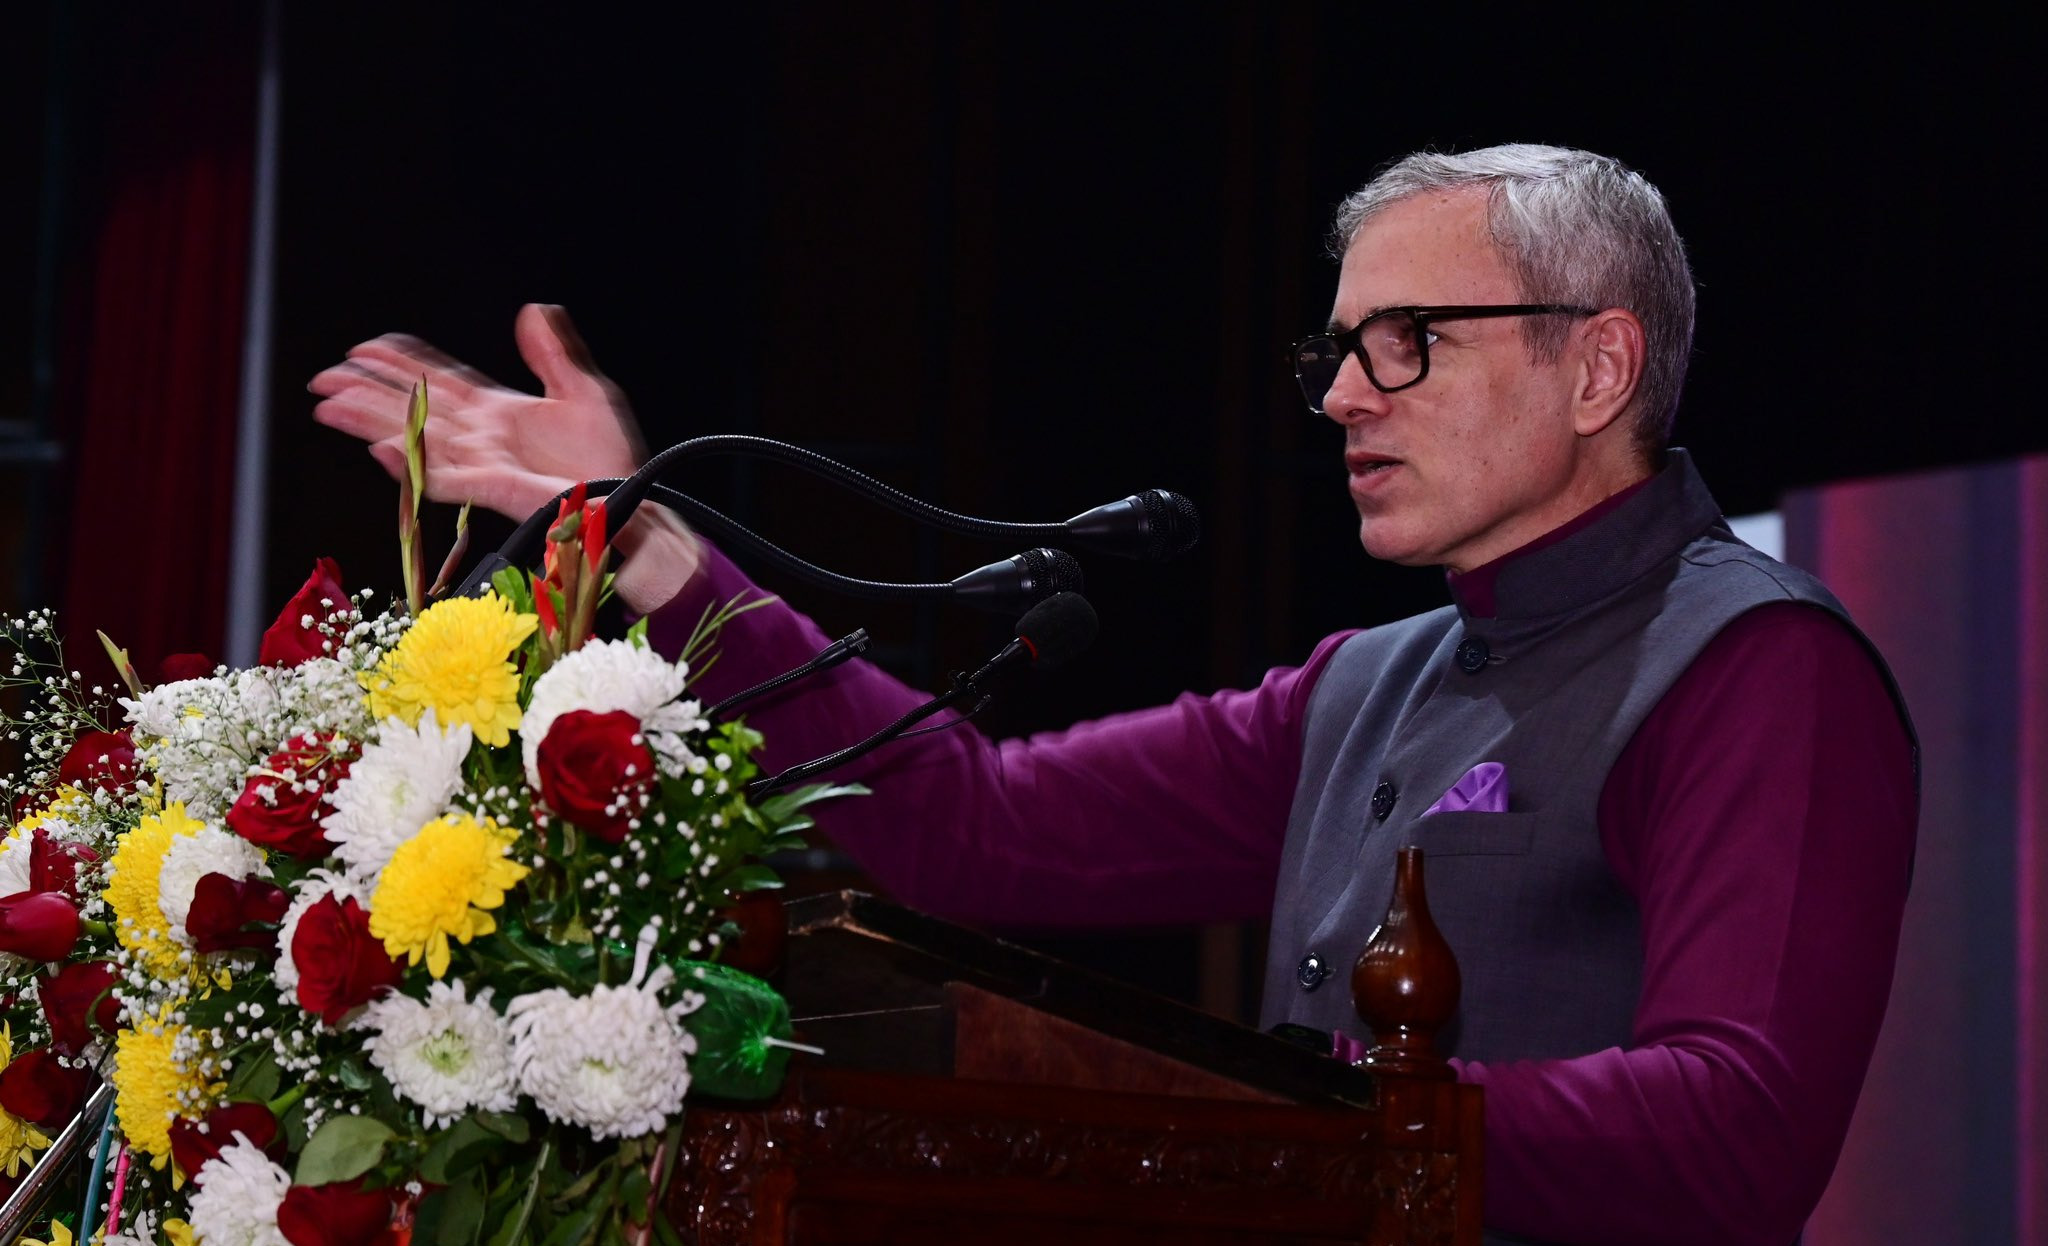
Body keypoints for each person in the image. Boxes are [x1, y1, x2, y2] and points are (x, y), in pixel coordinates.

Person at [311, 144, 1917, 1246]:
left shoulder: (1755, 663)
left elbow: (1737, 1130)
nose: (1346, 397)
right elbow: (967, 827)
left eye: (1411, 340)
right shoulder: (1367, 683)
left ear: (1599, 368)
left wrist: (1303, 1119)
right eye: (1339, 351)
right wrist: (650, 542)